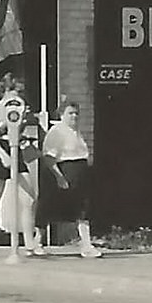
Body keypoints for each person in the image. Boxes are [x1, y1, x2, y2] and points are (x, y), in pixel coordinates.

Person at [0, 72, 39, 258]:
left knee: (29, 197)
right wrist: (3, 156)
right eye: (13, 91)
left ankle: (29, 243)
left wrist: (22, 122)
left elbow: (17, 132)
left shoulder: (20, 108)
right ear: (5, 90)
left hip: (15, 148)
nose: (16, 96)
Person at [34, 102, 102, 258]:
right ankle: (37, 242)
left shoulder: (76, 132)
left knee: (83, 209)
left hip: (80, 175)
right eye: (70, 113)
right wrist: (59, 177)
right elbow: (49, 158)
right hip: (63, 173)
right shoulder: (56, 132)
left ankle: (86, 245)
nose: (74, 116)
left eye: (76, 113)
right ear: (62, 115)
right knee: (48, 208)